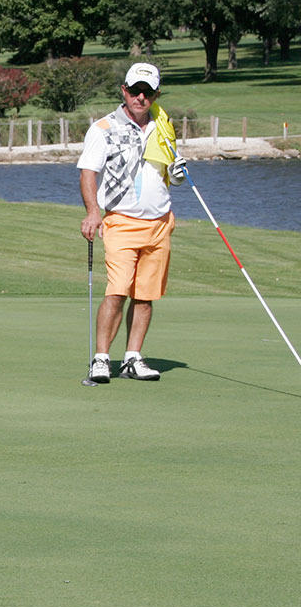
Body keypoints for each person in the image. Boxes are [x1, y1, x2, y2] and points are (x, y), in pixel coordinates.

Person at [79, 62, 186, 383]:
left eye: (148, 92)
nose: (141, 97)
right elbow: (88, 173)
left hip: (160, 222)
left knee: (145, 294)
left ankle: (132, 357)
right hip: (121, 221)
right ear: (123, 90)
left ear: (156, 94)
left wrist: (177, 175)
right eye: (135, 90)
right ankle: (101, 358)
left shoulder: (163, 125)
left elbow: (164, 171)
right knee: (117, 291)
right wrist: (93, 212)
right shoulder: (103, 128)